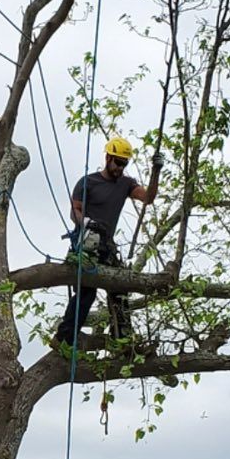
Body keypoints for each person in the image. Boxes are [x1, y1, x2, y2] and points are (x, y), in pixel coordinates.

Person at [52, 135, 161, 350]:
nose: (120, 168)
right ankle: (64, 339)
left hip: (107, 247)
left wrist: (156, 171)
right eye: (118, 162)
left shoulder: (126, 184)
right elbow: (75, 211)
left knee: (119, 290)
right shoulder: (88, 182)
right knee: (86, 294)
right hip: (86, 245)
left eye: (124, 164)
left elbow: (148, 197)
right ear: (108, 157)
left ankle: (123, 341)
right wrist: (87, 222)